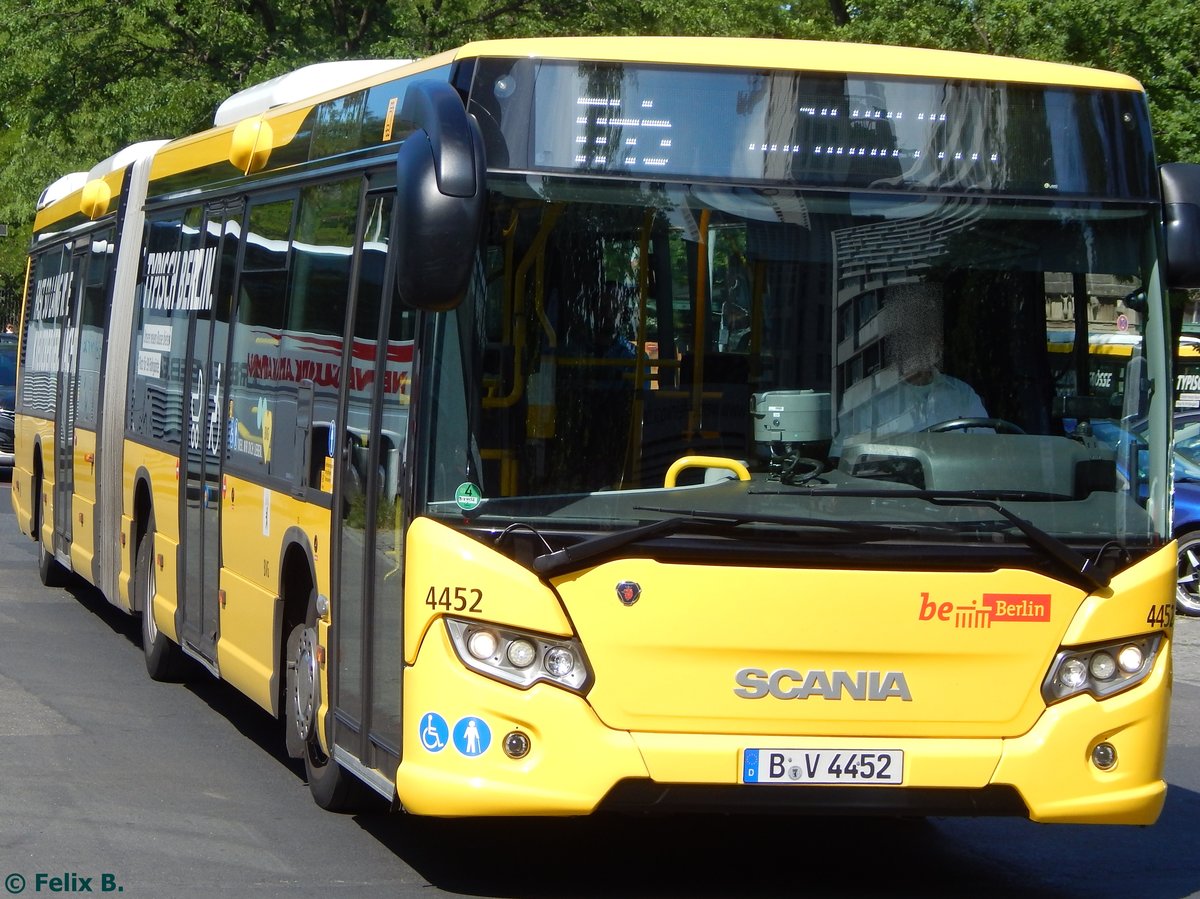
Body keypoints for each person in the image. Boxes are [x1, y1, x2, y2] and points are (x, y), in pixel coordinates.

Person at [830, 283, 989, 458]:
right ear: (896, 341)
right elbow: (844, 463)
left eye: (929, 332)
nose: (921, 341)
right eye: (912, 332)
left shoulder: (962, 395)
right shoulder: (861, 399)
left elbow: (988, 454)